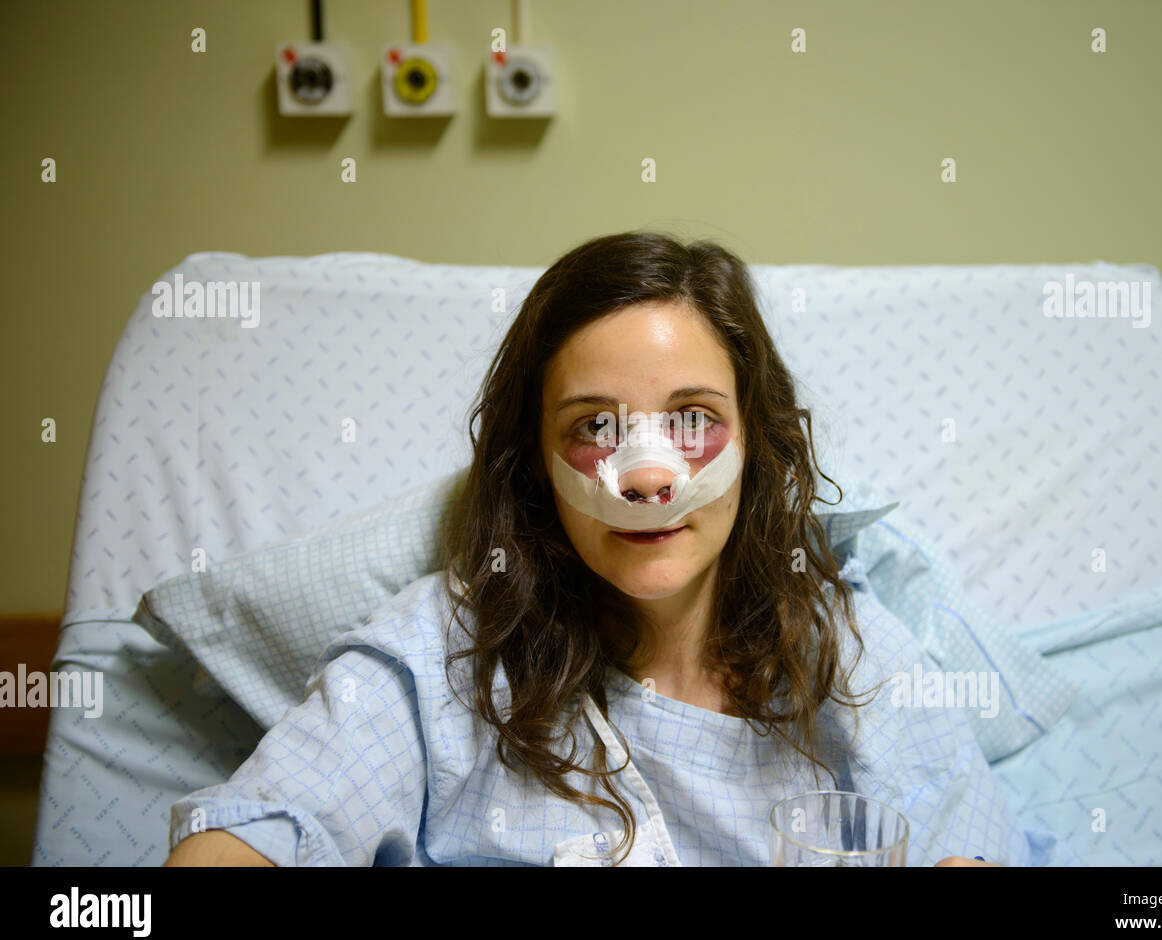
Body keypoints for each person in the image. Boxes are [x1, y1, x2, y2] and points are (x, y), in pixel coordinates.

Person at [165, 231, 1069, 866]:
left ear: (755, 443)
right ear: (535, 461)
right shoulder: (446, 657)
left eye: (694, 420)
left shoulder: (848, 654)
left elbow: (966, 846)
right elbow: (264, 826)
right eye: (594, 425)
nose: (645, 477)